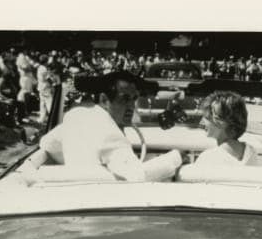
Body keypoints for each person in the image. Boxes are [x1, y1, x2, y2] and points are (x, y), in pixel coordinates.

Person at [35, 71, 181, 181]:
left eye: (134, 99)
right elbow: (138, 175)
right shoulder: (110, 134)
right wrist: (177, 158)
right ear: (104, 100)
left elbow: (47, 143)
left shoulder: (74, 115)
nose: (131, 106)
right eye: (124, 99)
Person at [194, 91, 259, 166]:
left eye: (207, 117)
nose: (201, 122)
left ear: (221, 122)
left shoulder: (208, 158)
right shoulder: (251, 152)